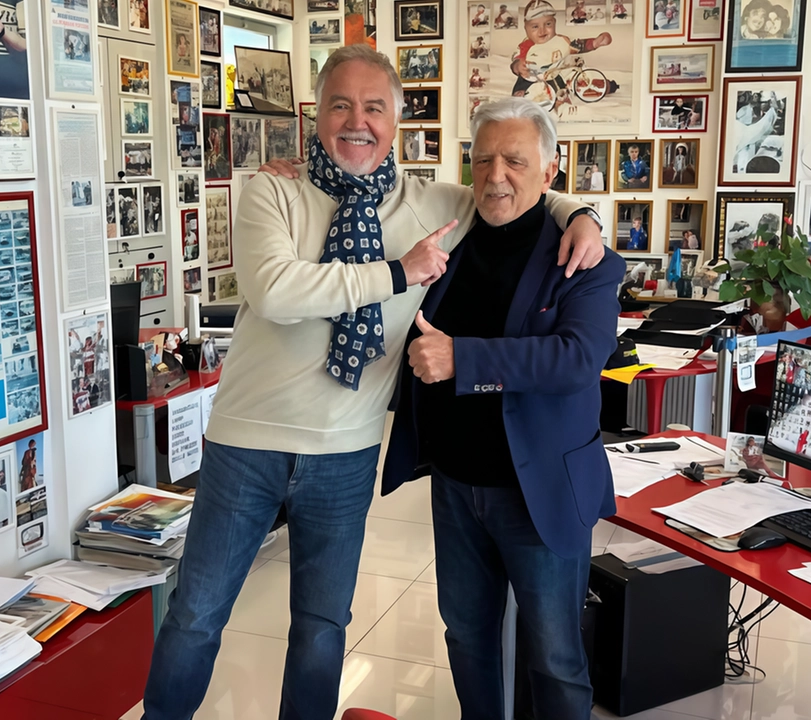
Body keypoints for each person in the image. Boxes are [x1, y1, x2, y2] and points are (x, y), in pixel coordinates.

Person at [140, 45, 605, 720]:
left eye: (374, 108)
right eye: (340, 105)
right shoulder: (273, 189)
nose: (356, 122)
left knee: (324, 626)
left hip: (348, 450)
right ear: (316, 117)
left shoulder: (435, 203)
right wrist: (396, 272)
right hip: (248, 443)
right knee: (196, 614)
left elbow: (516, 188)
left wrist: (581, 214)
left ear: (396, 124)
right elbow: (274, 290)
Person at [381, 96, 622, 720]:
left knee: (556, 657)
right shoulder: (448, 242)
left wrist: (466, 359)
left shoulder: (586, 257)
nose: (495, 175)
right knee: (466, 638)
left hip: (537, 490)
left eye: (515, 160)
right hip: (456, 488)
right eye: (482, 159)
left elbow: (576, 361)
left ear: (550, 170)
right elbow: (374, 181)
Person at [509, 0, 612, 102]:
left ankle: (601, 85)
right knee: (523, 92)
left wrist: (595, 43)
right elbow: (515, 62)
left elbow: (579, 45)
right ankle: (522, 97)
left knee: (572, 82)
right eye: (535, 27)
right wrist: (518, 66)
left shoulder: (561, 41)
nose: (542, 30)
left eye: (548, 24)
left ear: (554, 23)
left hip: (553, 77)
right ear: (526, 29)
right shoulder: (526, 46)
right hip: (530, 80)